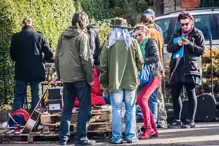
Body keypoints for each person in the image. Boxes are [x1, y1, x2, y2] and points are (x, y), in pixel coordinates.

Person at [100, 17, 144, 144]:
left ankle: (117, 137)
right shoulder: (133, 43)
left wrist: (103, 82)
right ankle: (131, 136)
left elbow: (103, 66)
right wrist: (137, 71)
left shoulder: (109, 44)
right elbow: (140, 62)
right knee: (131, 109)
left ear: (114, 29)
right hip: (131, 81)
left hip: (115, 82)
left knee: (117, 110)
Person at [55, 12, 95, 145]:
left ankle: (63, 139)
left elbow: (57, 57)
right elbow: (86, 58)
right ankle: (81, 138)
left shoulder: (62, 36)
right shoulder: (82, 36)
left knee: (66, 109)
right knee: (85, 109)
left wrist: (60, 75)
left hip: (67, 78)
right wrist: (90, 78)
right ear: (84, 22)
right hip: (81, 78)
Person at [167, 11, 205, 128]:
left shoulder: (197, 34)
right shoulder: (177, 34)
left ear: (191, 22)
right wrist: (177, 44)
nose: (184, 26)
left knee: (191, 93)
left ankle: (190, 120)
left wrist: (189, 44)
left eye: (186, 24)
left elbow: (202, 50)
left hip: (191, 68)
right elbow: (169, 48)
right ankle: (177, 119)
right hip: (177, 68)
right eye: (182, 24)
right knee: (175, 94)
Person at [10, 17, 53, 112]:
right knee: (36, 95)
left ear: (22, 25)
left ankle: (17, 120)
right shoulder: (39, 36)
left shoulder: (15, 37)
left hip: (21, 71)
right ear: (32, 25)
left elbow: (13, 56)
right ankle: (35, 120)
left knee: (19, 96)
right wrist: (42, 58)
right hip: (36, 71)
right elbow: (49, 54)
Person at [135, 24, 163, 139]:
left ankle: (149, 128)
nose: (137, 38)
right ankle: (154, 129)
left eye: (140, 35)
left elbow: (156, 58)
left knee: (142, 99)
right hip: (146, 77)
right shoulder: (138, 44)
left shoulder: (151, 42)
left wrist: (141, 61)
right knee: (143, 101)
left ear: (146, 34)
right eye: (136, 35)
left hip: (154, 75)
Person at [141, 14, 167, 128]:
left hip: (152, 71)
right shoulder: (158, 32)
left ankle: (154, 122)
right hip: (158, 68)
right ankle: (159, 121)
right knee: (156, 97)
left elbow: (154, 56)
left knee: (150, 98)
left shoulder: (149, 34)